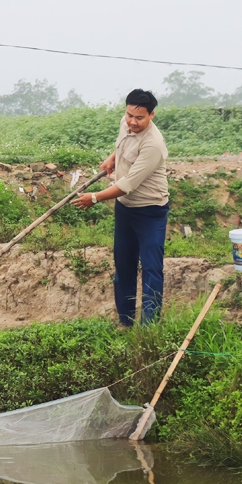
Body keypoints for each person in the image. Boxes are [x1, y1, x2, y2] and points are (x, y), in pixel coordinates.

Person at [70, 89, 169, 326]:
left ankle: (149, 328)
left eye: (139, 118)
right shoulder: (126, 125)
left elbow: (127, 184)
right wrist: (113, 158)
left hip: (150, 210)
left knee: (151, 269)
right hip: (125, 209)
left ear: (151, 115)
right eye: (129, 115)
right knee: (123, 266)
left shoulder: (153, 144)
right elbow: (124, 145)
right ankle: (126, 323)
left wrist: (94, 198)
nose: (132, 122)